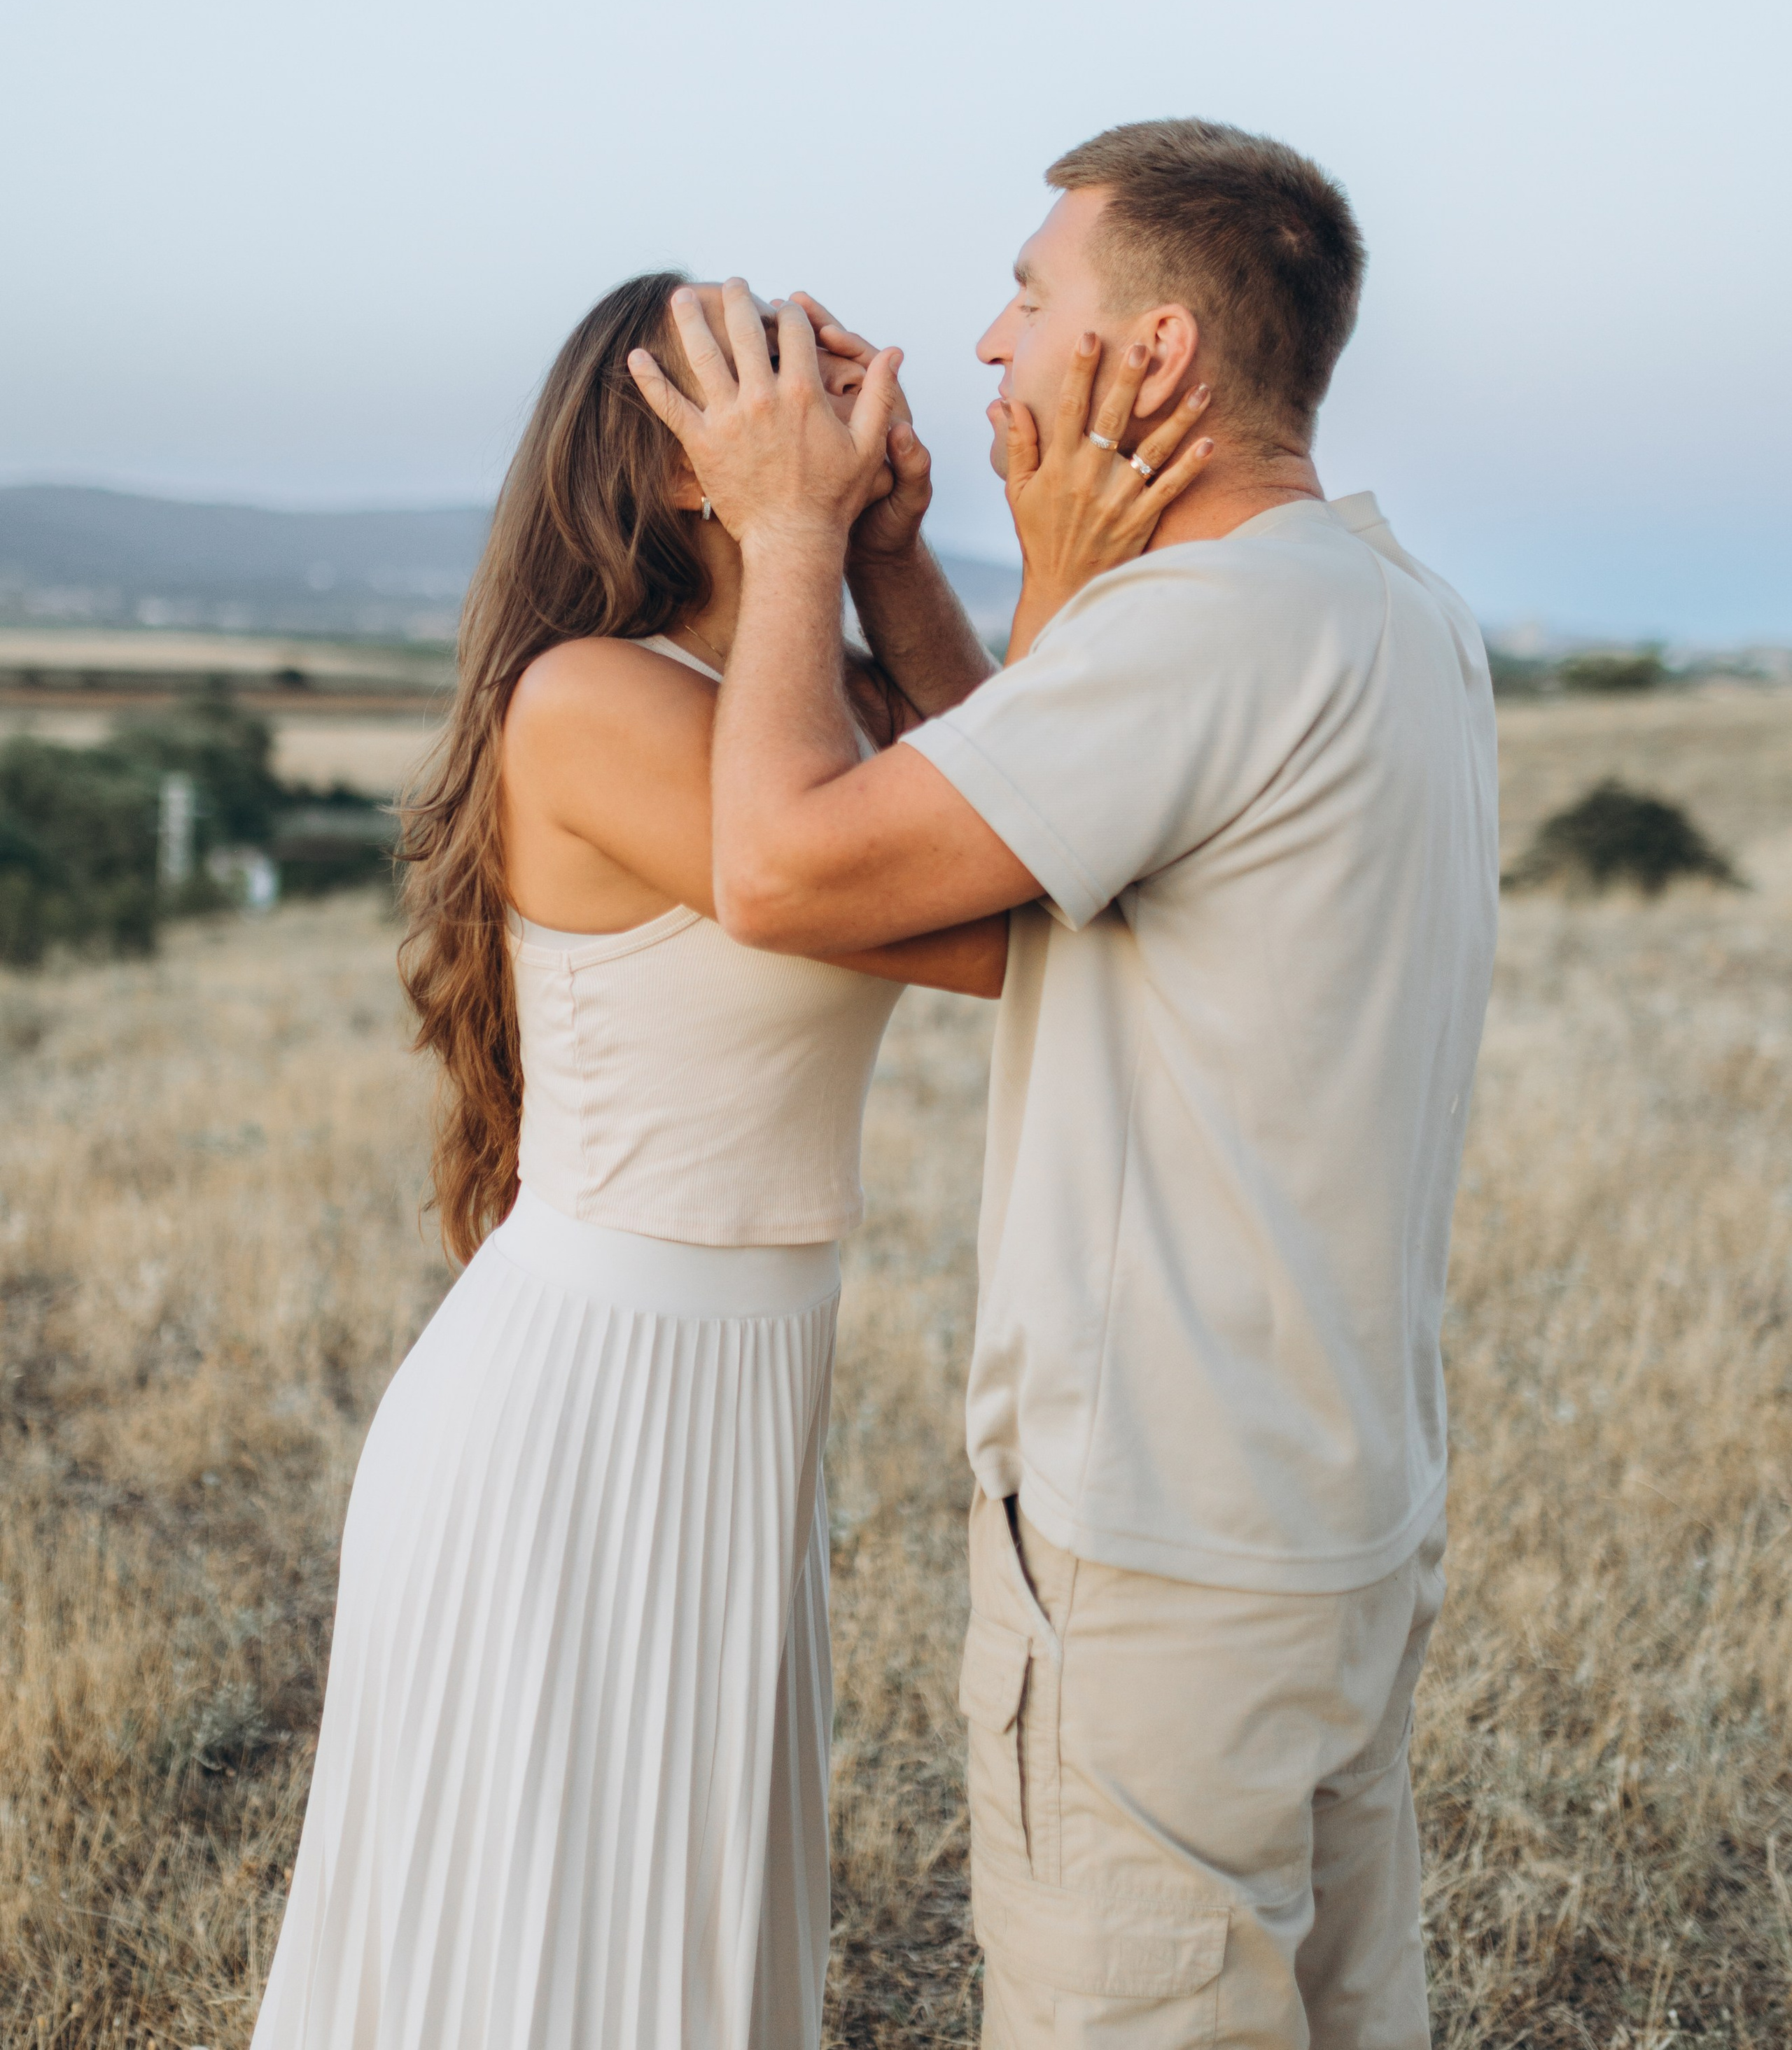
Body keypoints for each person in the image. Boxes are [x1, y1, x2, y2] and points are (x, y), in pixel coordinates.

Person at [627, 117, 1501, 2050]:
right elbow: (1029, 830)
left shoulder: (1197, 635)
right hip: (1328, 1511)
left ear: (1154, 348)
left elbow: (782, 869)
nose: (989, 338)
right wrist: (899, 565)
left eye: (1030, 294)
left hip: (1156, 1542)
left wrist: (788, 530)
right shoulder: (1382, 605)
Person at [251, 271, 1007, 2050]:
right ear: (680, 459)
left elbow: (1038, 802)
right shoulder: (588, 699)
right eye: (786, 371)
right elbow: (1009, 926)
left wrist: (889, 557)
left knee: (674, 1944)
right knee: (541, 1964)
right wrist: (802, 533)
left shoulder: (808, 707)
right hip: (574, 1415)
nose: (849, 387)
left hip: (734, 1393)